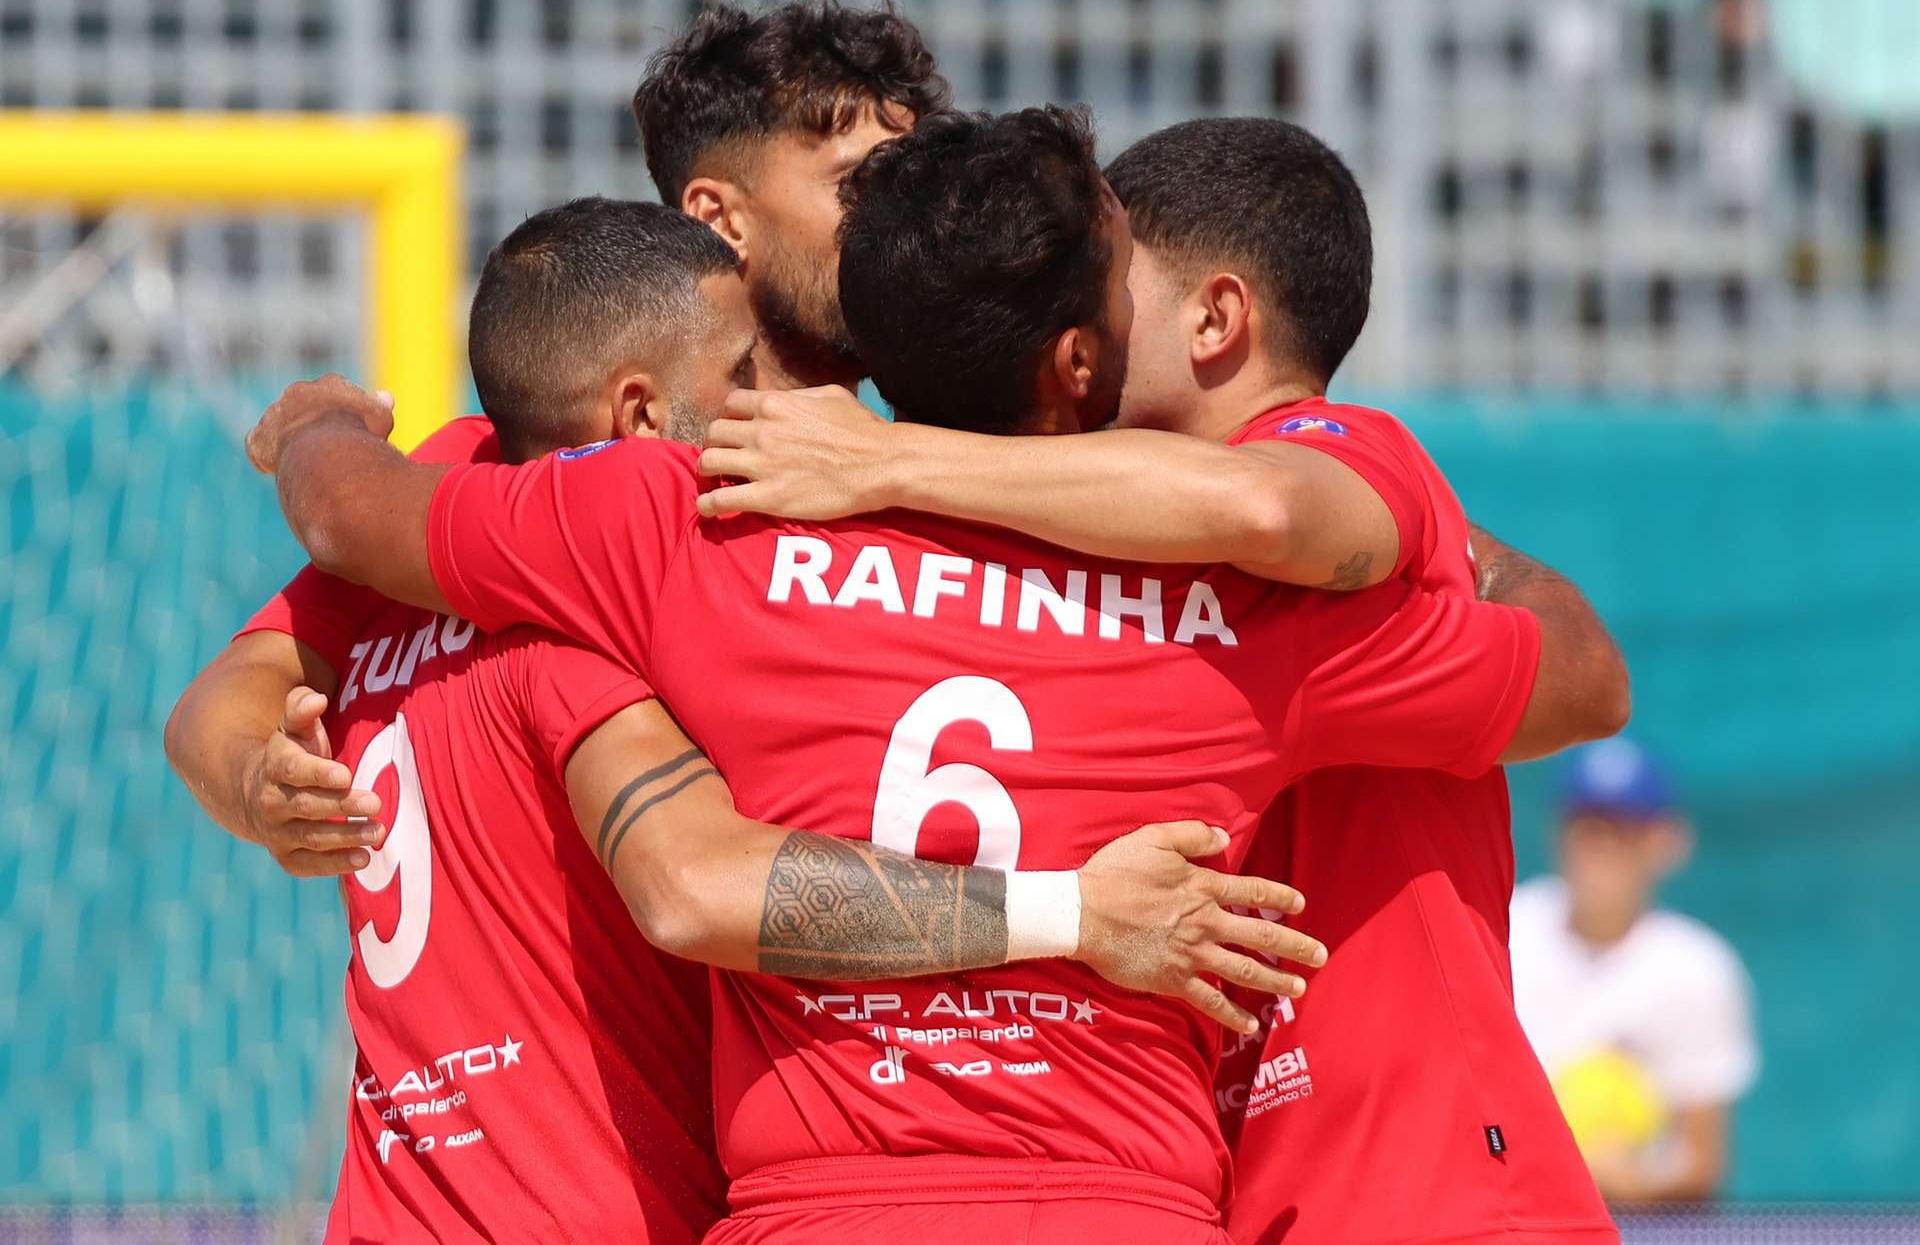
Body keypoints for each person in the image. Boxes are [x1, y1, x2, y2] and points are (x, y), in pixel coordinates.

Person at [250, 106, 1618, 1245]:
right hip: (1127, 1206)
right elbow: (1574, 679)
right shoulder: (1242, 616)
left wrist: (316, 425)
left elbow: (356, 519)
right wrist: (1450, 536)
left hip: (817, 1208)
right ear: (1078, 361)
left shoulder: (692, 524)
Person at [168, 198, 1314, 1243]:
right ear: (635, 414)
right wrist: (1081, 912)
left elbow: (224, 691)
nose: (781, 402)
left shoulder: (430, 517)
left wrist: (319, 440)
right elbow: (695, 887)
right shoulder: (585, 617)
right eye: (744, 371)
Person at [695, 116, 1626, 1245]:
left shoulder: (1331, 469)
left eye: (1113, 285)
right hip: (1244, 1188)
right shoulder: (1119, 554)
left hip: (1429, 1190)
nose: (1088, 322)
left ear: (1216, 319)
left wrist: (890, 457)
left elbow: (1570, 671)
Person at [634, 0, 950, 391]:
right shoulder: (626, 430)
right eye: (860, 183)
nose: (906, 215)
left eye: (914, 182)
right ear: (718, 219)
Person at [1511, 738, 1759, 1203]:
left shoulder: (1699, 969)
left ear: (1665, 842)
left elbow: (1702, 1166)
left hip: (1632, 1226)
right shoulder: (1507, 928)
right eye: (1587, 826)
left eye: (1623, 828)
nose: (1601, 846)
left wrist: (1623, 1184)